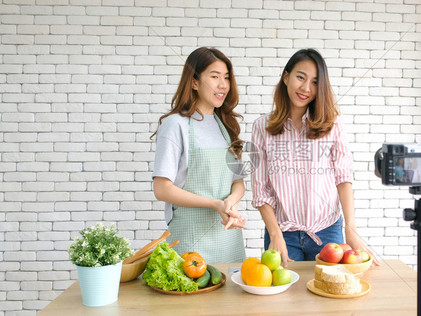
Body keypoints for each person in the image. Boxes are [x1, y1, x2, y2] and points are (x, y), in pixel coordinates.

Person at [251, 48, 380, 267]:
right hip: (282, 233)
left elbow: (343, 178)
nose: (306, 88)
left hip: (328, 234)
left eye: (314, 82)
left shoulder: (333, 125)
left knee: (330, 295)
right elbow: (261, 190)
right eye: (300, 77)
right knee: (284, 298)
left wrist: (351, 229)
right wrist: (274, 234)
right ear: (286, 77)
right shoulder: (262, 127)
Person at [151, 47, 246, 263]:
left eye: (227, 78)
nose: (223, 84)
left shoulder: (226, 127)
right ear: (194, 82)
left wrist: (230, 202)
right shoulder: (176, 125)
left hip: (228, 234)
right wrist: (215, 204)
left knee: (230, 295)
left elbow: (238, 182)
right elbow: (161, 188)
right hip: (190, 237)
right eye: (214, 77)